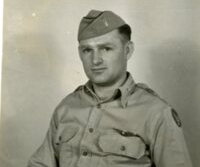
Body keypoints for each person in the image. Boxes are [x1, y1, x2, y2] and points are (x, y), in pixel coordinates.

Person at [28, 10, 192, 167]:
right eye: (87, 50)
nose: (95, 60)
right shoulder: (67, 107)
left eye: (106, 48)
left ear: (127, 51)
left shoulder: (156, 113)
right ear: (80, 54)